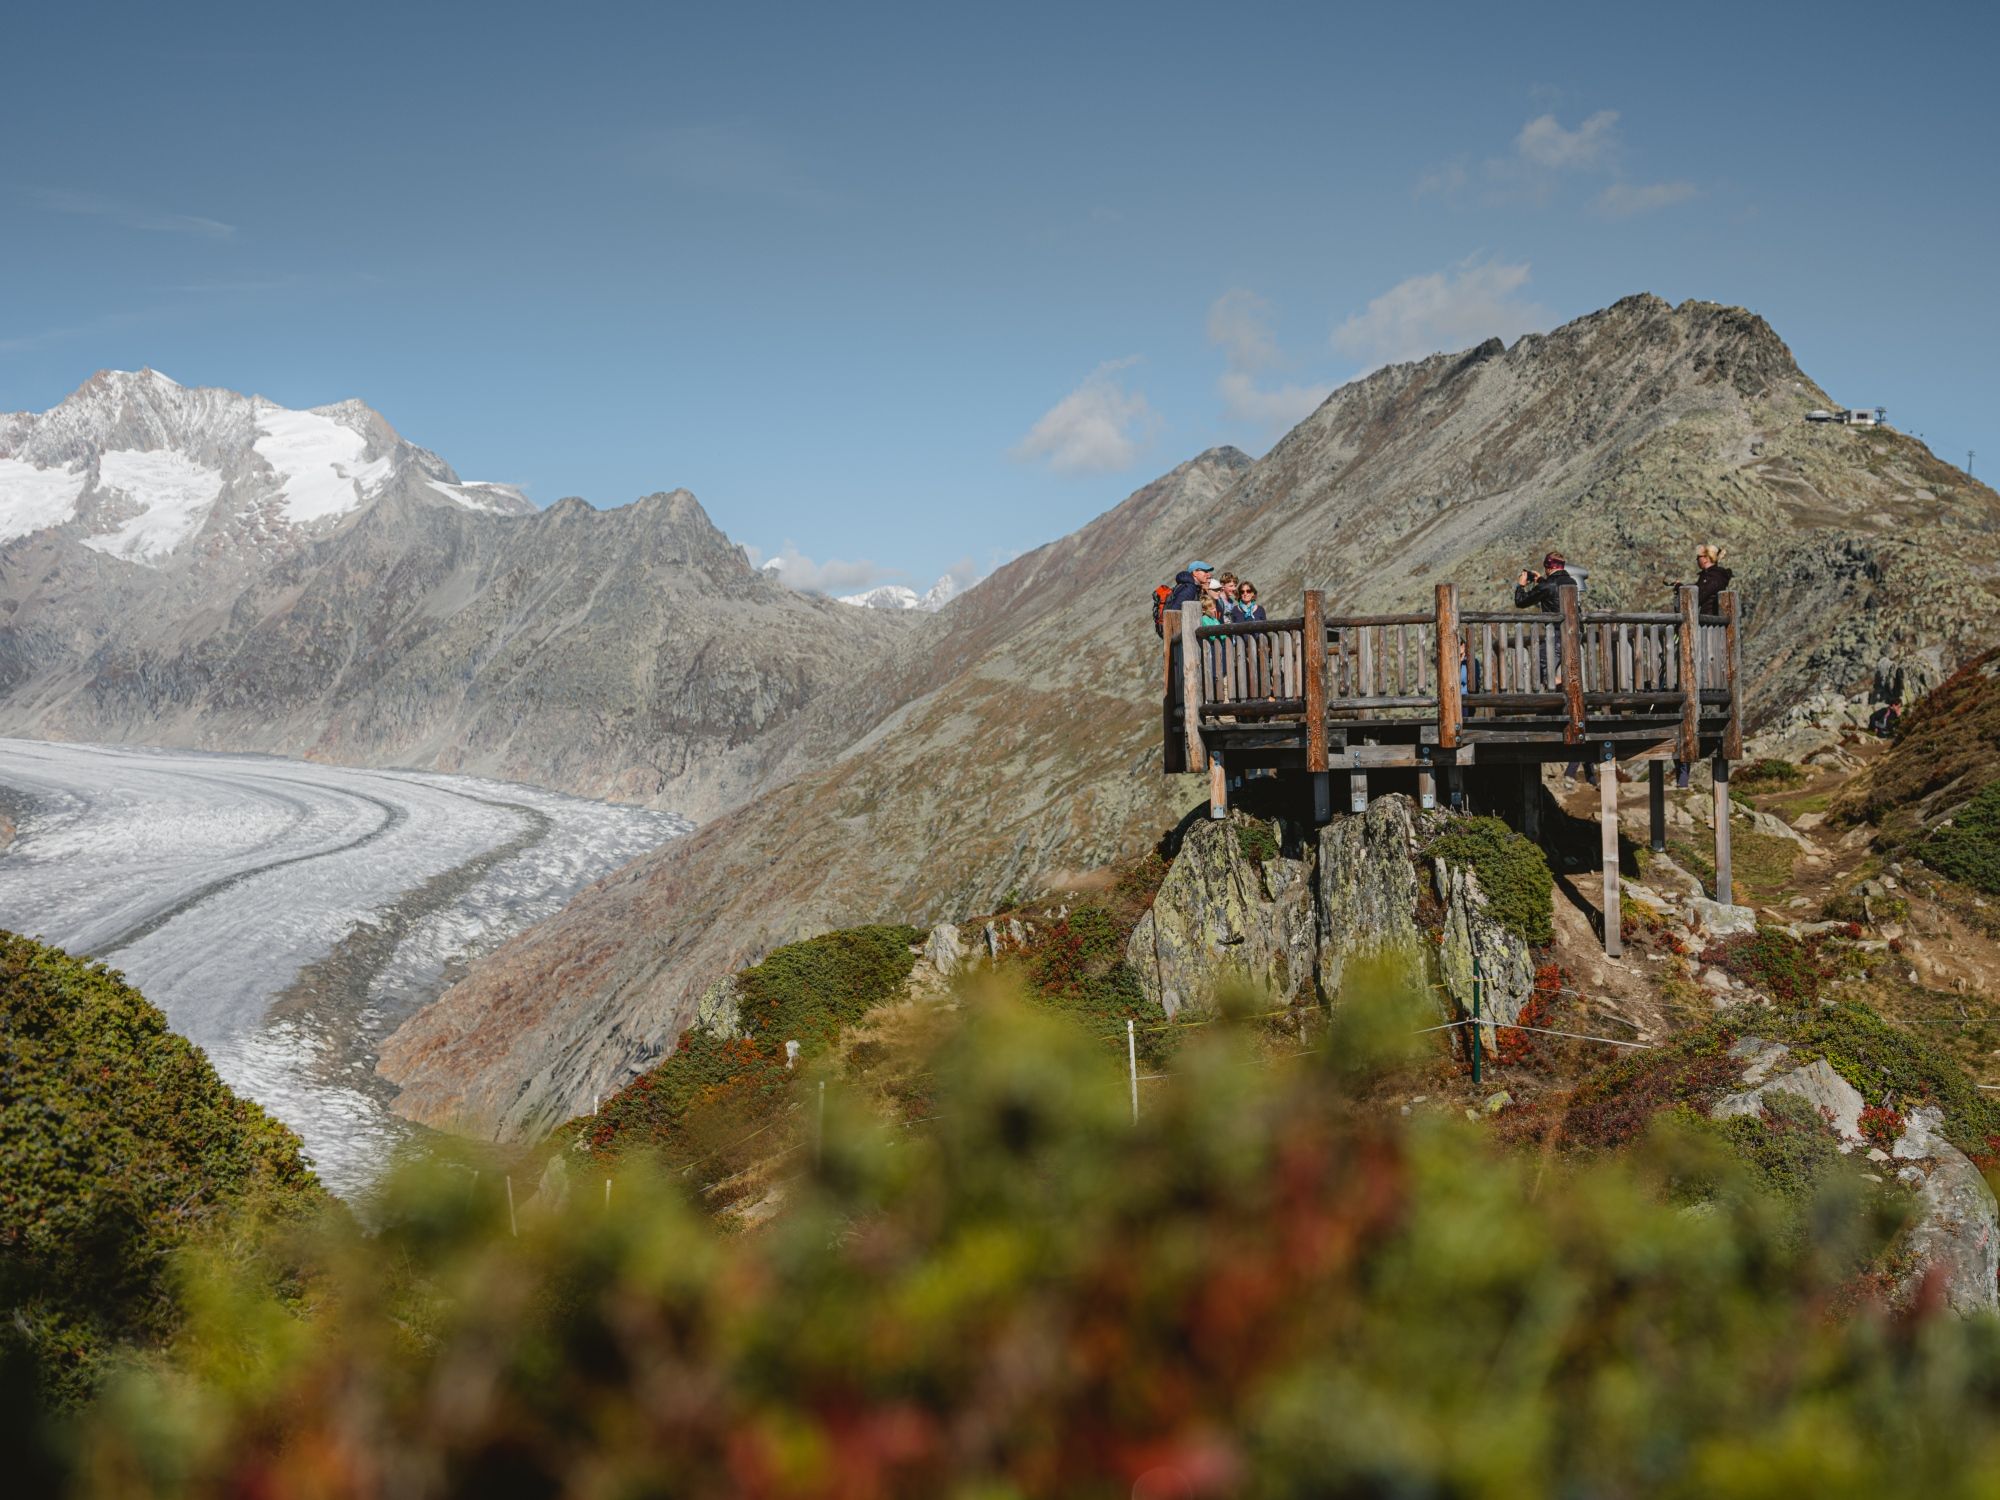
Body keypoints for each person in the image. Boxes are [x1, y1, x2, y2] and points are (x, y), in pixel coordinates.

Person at [1513, 551, 1595, 785]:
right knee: (1565, 675)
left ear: (1548, 567)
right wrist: (1541, 579)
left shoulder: (1547, 586)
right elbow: (1553, 587)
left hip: (1554, 639)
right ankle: (1561, 705)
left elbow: (1521, 601)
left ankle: (1549, 710)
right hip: (1572, 637)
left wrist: (1521, 584)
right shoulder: (1571, 582)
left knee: (1543, 675)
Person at [1694, 543, 1733, 614]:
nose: (1697, 559)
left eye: (1699, 557)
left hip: (1710, 621)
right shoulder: (1716, 575)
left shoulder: (1713, 577)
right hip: (1710, 620)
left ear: (1705, 558)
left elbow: (1699, 596)